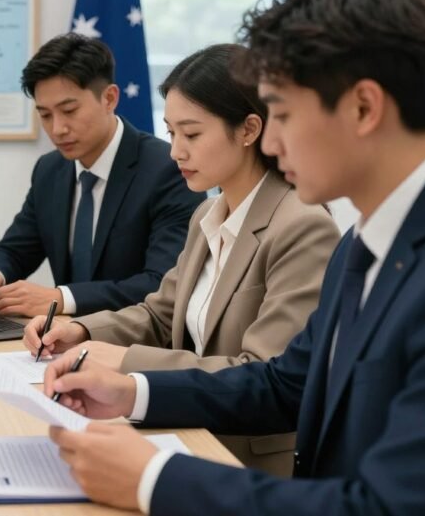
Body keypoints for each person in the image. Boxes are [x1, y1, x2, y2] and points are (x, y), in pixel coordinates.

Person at [44, 0, 425, 515]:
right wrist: (133, 392)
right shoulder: (360, 246)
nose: (269, 139)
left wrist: (154, 478)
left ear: (364, 108)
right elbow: (283, 385)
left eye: (284, 115)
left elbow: (385, 506)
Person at [23, 44, 339, 475]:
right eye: (171, 134)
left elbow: (264, 375)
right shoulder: (207, 214)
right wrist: (78, 330)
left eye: (191, 135)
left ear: (248, 130)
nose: (175, 152)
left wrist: (125, 363)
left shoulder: (301, 226)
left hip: (248, 463)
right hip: (188, 432)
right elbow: (159, 314)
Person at [0, 34, 205, 317]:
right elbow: (15, 249)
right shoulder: (50, 170)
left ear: (109, 98)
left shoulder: (167, 169)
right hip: (59, 339)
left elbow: (161, 283)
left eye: (69, 110)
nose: (58, 128)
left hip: (135, 343)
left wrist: (61, 298)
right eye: (45, 115)